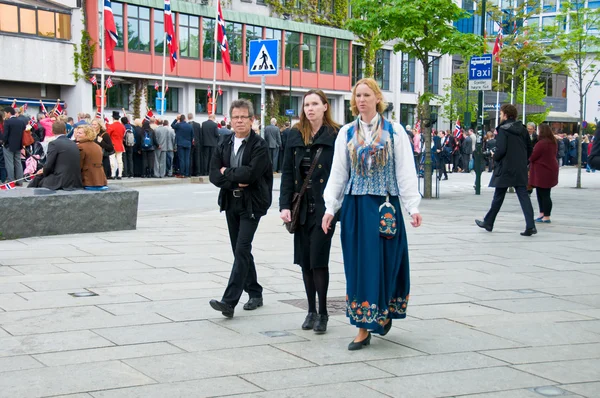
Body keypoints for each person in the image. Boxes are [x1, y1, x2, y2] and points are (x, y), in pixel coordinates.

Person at [322, 78, 422, 350]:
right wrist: (331, 207)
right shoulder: (346, 133)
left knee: (389, 262)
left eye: (367, 95)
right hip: (355, 208)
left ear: (377, 98)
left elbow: (405, 171)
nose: (362, 100)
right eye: (358, 96)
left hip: (384, 208)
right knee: (359, 266)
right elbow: (339, 173)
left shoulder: (395, 131)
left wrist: (412, 206)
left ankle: (384, 309)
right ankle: (363, 326)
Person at [280, 89, 340, 334]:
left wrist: (336, 206)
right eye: (306, 105)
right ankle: (310, 311)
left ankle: (324, 313)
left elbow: (340, 174)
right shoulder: (295, 135)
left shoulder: (336, 135)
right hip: (301, 209)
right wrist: (284, 206)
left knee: (318, 261)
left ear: (325, 106)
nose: (310, 108)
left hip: (325, 209)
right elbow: (287, 173)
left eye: (315, 104)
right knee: (305, 262)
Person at [208, 99, 273, 318]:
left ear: (252, 120)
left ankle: (229, 302)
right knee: (239, 249)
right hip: (230, 201)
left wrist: (227, 172)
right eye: (235, 117)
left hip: (252, 203)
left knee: (242, 248)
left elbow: (251, 174)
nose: (239, 121)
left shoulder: (259, 145)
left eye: (243, 117)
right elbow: (214, 175)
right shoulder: (224, 143)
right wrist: (233, 178)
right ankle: (255, 292)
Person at [476, 104, 536, 236]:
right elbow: (530, 148)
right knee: (523, 196)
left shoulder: (503, 129)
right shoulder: (523, 129)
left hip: (505, 167)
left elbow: (501, 150)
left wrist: (494, 156)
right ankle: (530, 225)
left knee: (498, 196)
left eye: (501, 113)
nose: (499, 116)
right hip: (519, 167)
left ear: (506, 115)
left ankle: (488, 222)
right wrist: (523, 161)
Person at [27, 121, 83, 190]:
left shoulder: (54, 144)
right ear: (65, 131)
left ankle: (27, 194)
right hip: (75, 180)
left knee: (38, 178)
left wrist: (43, 171)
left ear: (52, 131)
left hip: (61, 180)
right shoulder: (73, 144)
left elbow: (49, 164)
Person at [529, 124, 559, 224]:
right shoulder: (553, 142)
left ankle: (546, 216)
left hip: (542, 171)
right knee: (544, 193)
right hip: (550, 170)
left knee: (543, 194)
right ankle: (543, 214)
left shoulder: (541, 143)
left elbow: (533, 156)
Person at [1, 107, 25, 185]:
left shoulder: (7, 122)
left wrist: (3, 141)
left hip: (8, 145)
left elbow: (5, 135)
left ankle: (11, 180)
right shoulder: (21, 122)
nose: (5, 115)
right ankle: (20, 180)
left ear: (8, 113)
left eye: (5, 113)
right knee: (18, 162)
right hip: (18, 145)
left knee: (9, 163)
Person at [107, 111, 125, 180]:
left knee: (112, 160)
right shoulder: (122, 126)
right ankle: (120, 174)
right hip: (120, 144)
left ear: (113, 118)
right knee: (119, 160)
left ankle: (113, 174)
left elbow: (108, 136)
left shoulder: (111, 126)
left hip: (113, 145)